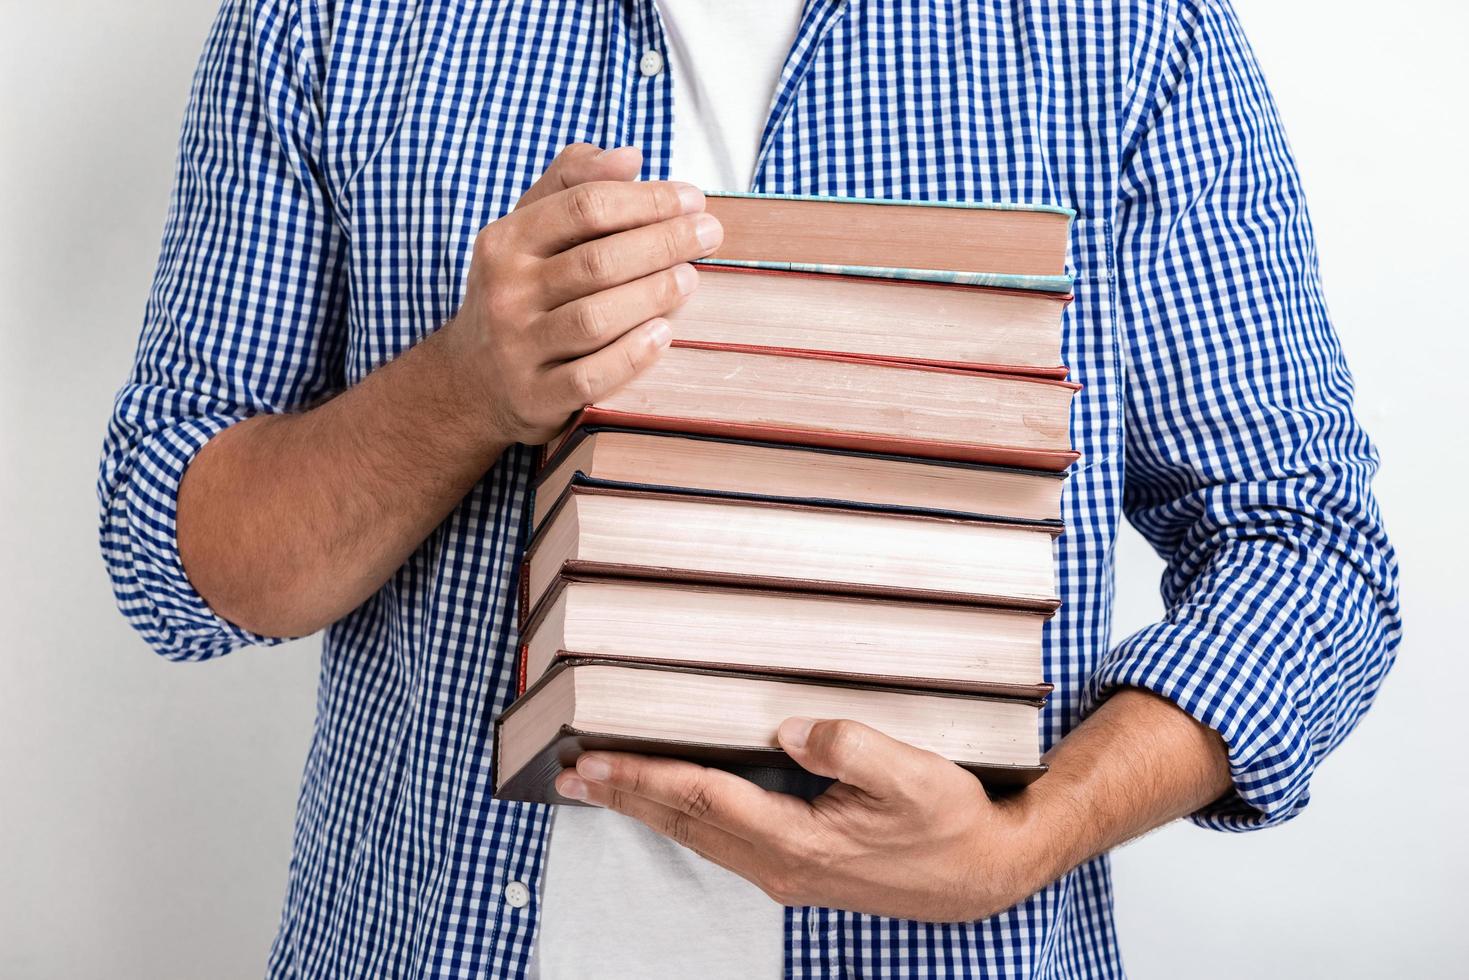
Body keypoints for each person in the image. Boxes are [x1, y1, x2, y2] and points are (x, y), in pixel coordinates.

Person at [97, 0, 1400, 976]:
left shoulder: (1117, 32)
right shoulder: (331, 16)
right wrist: (462, 385)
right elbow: (179, 567)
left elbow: (1304, 548)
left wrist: (1035, 836)